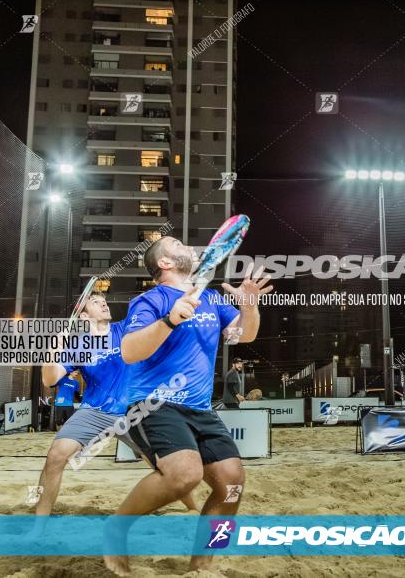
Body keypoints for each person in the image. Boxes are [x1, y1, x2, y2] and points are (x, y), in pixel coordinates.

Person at [104, 236, 271, 576]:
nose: (190, 247)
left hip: (199, 407)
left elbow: (245, 335)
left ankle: (202, 566)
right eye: (177, 244)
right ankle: (115, 530)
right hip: (154, 403)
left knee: (232, 483)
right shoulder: (150, 300)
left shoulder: (210, 298)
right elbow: (130, 351)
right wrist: (169, 320)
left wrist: (250, 306)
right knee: (185, 475)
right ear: (164, 263)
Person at [34, 293, 195, 520]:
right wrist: (52, 351)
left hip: (132, 411)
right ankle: (38, 526)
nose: (104, 304)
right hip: (93, 411)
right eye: (96, 302)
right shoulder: (78, 346)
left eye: (104, 301)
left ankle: (192, 508)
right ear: (84, 315)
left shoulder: (125, 330)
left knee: (163, 465)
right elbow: (49, 380)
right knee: (56, 456)